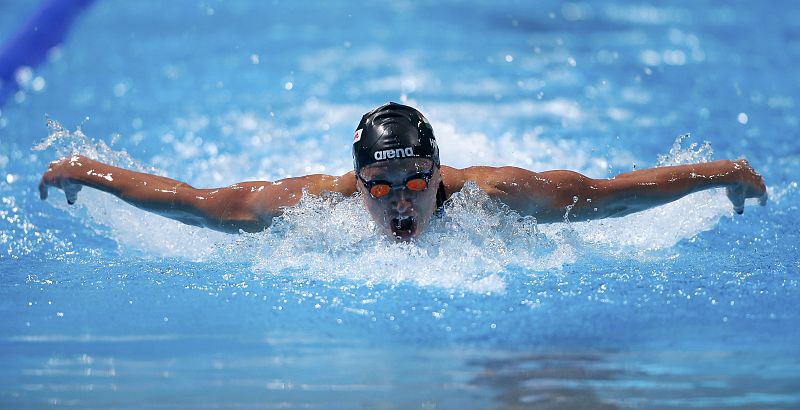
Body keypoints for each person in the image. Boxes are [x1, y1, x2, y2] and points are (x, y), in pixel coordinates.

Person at [39, 102, 768, 240]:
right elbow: (200, 203)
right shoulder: (306, 208)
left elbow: (605, 199)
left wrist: (722, 172)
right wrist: (88, 170)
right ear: (353, 183)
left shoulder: (496, 197)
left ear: (439, 172)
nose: (400, 202)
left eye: (417, 181)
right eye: (380, 187)